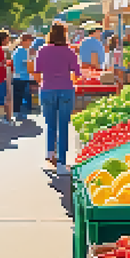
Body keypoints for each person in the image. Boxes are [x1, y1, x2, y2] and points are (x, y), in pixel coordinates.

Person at [34, 22, 80, 175]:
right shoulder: (69, 52)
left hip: (47, 90)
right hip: (66, 90)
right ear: (65, 34)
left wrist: (43, 82)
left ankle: (49, 154)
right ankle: (61, 163)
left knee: (50, 125)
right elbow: (77, 73)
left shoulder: (42, 50)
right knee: (63, 126)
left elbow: (36, 71)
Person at [12, 34, 34, 121]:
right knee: (19, 96)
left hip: (23, 77)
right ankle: (18, 113)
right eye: (30, 41)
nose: (31, 43)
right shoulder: (21, 51)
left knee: (20, 96)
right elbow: (22, 64)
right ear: (25, 41)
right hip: (21, 77)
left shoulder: (23, 50)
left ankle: (19, 113)